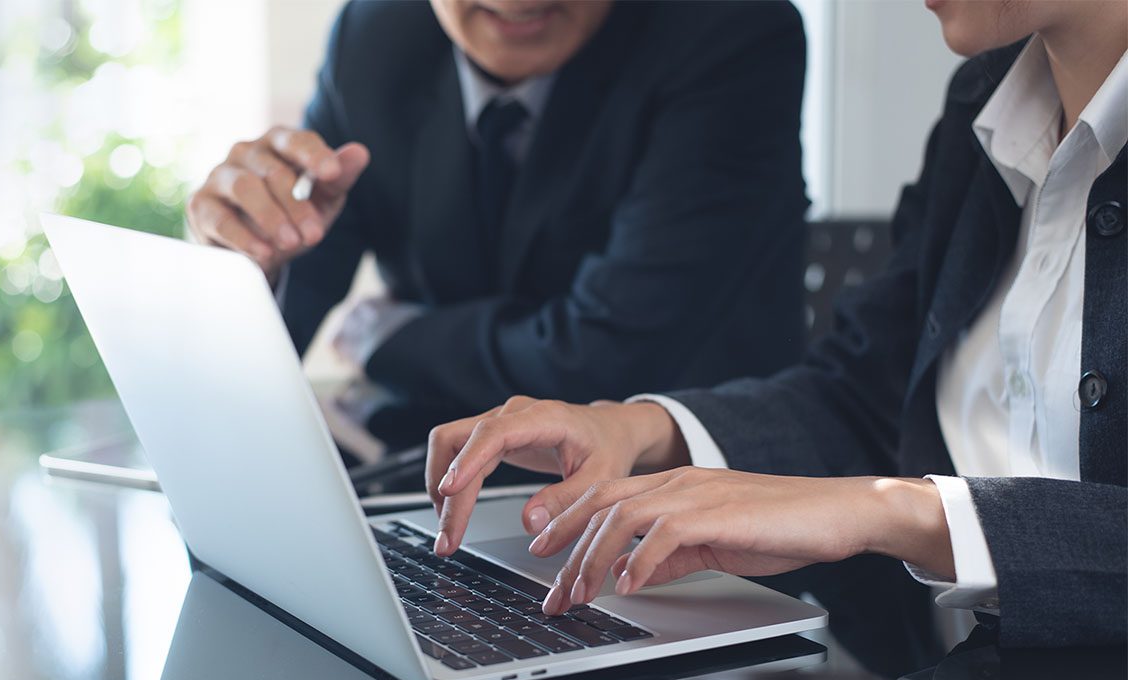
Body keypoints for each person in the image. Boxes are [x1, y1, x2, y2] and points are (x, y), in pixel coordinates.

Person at [426, 0, 1128, 649]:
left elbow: (892, 494)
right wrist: (638, 430)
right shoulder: (986, 102)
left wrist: (894, 512)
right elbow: (865, 396)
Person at [186, 0, 809, 416]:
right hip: (431, 486)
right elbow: (273, 330)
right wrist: (241, 264)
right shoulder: (374, 35)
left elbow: (606, 363)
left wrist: (389, 336)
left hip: (683, 521)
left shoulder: (733, 35)